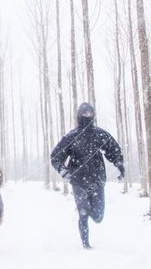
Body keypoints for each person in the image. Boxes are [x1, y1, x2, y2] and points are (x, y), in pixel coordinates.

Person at [50, 102, 124, 249]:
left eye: (90, 113)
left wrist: (120, 165)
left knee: (98, 217)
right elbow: (55, 157)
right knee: (83, 214)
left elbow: (113, 150)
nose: (87, 116)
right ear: (79, 115)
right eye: (84, 113)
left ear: (93, 115)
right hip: (78, 181)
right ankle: (86, 244)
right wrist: (65, 173)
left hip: (97, 180)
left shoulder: (100, 134)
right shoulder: (71, 136)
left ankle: (87, 209)